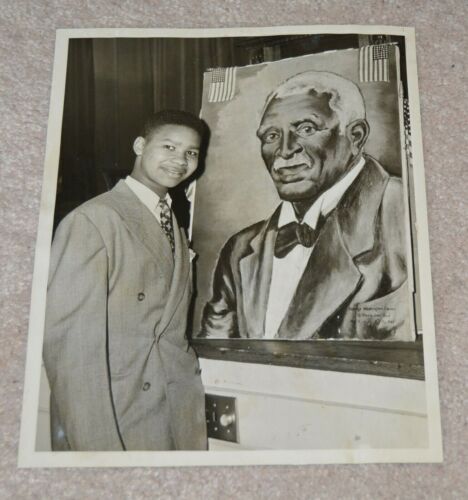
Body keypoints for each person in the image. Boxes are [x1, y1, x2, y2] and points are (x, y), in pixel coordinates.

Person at [201, 71, 412, 341]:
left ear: (355, 137)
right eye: (271, 136)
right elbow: (217, 359)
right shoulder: (241, 248)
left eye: (306, 129)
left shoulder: (407, 213)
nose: (285, 150)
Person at [44, 110, 208, 451]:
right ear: (139, 145)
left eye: (191, 153)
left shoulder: (173, 224)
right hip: (119, 415)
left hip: (174, 407)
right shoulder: (93, 220)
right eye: (168, 146)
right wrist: (97, 449)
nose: (180, 160)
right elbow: (71, 351)